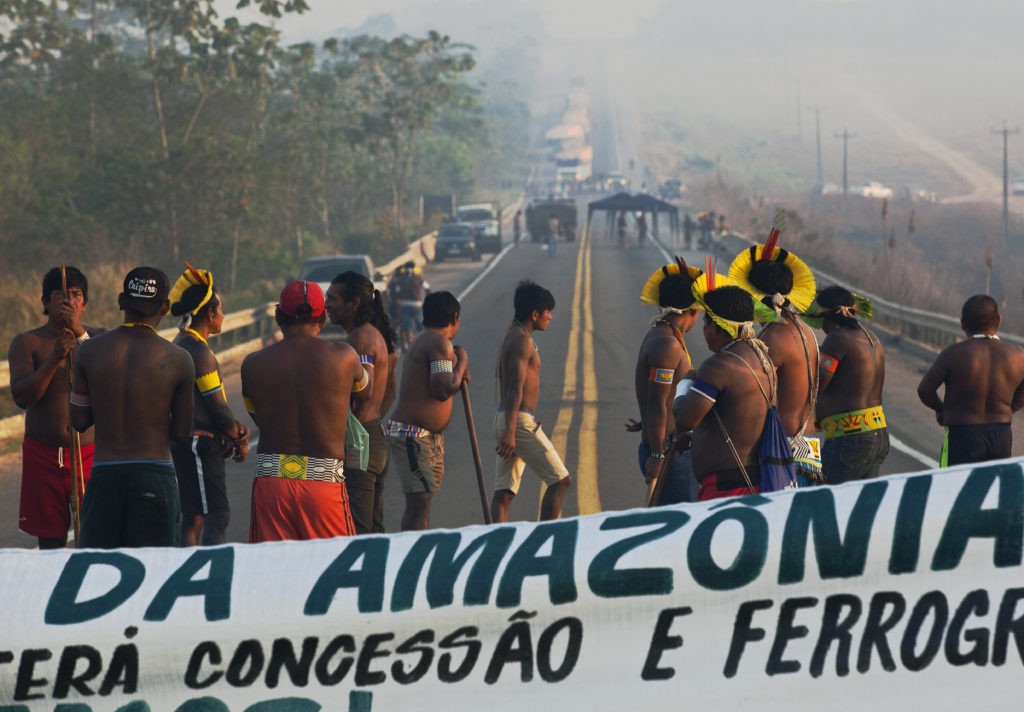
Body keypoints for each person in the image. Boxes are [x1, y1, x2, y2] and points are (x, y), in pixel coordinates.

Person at [71, 267, 195, 548]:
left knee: (99, 565)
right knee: (155, 567)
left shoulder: (89, 351)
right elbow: (182, 432)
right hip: (154, 475)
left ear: (121, 300)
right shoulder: (179, 358)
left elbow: (78, 420)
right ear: (165, 307)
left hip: (104, 475)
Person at [242, 280, 370, 542]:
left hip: (272, 480)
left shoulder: (252, 364)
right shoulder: (345, 357)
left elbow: (259, 417)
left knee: (273, 564)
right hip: (324, 480)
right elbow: (364, 392)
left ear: (279, 317)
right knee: (332, 563)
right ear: (322, 318)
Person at [9, 266, 105, 549]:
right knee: (50, 542)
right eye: (60, 295)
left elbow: (108, 376)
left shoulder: (99, 338)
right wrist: (54, 358)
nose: (69, 301)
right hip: (44, 454)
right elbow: (23, 397)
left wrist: (79, 332)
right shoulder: (28, 342)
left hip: (90, 453)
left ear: (84, 303)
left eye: (76, 295)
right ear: (45, 302)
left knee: (95, 535)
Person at [728, 231, 822, 483]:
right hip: (808, 446)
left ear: (756, 297)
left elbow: (755, 396)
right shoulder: (807, 331)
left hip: (781, 451)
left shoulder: (773, 337)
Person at [168, 264, 250, 546]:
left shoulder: (182, 342)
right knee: (217, 515)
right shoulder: (198, 351)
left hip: (189, 439)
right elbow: (216, 408)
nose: (224, 315)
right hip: (200, 443)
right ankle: (210, 566)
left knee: (194, 516)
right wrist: (237, 436)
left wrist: (233, 429)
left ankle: (190, 564)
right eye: (221, 309)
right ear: (210, 314)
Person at [672, 277, 774, 501]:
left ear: (716, 327)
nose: (704, 331)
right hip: (754, 479)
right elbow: (734, 417)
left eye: (706, 324)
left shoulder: (720, 365)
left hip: (725, 487)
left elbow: (684, 418)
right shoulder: (762, 358)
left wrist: (684, 384)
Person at [386, 291, 469, 530]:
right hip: (412, 434)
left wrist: (457, 370)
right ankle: (413, 549)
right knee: (419, 502)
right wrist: (462, 362)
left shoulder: (429, 340)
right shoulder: (438, 343)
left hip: (422, 435)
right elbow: (443, 388)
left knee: (423, 500)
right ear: (454, 318)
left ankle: (422, 543)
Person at [326, 271, 399, 534]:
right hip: (370, 435)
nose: (327, 305)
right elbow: (390, 391)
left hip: (361, 442)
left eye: (333, 299)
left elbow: (364, 389)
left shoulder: (360, 339)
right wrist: (371, 420)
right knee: (372, 529)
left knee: (358, 530)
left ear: (354, 303)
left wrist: (357, 425)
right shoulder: (374, 335)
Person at [492, 281, 571, 522]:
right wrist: (511, 430)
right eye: (548, 312)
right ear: (535, 314)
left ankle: (499, 539)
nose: (550, 317)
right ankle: (543, 536)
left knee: (504, 491)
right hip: (517, 421)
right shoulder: (522, 341)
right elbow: (515, 386)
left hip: (508, 418)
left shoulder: (513, 334)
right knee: (560, 480)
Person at [627, 260, 702, 505]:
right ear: (692, 310)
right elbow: (657, 403)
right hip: (667, 456)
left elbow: (658, 396)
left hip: (667, 449)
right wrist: (658, 455)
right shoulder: (667, 345)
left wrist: (647, 422)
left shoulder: (663, 335)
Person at [917, 295, 1024, 466]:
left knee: (957, 482)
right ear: (998, 320)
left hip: (962, 434)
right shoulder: (1018, 355)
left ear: (963, 323)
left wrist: (941, 409)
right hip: (1001, 435)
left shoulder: (953, 354)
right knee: (993, 483)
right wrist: (1006, 409)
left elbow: (925, 390)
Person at [803, 285, 888, 484]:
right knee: (859, 501)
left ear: (826, 315)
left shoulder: (837, 338)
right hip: (878, 435)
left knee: (826, 498)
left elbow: (817, 385)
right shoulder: (871, 337)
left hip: (851, 440)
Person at [388, 261, 428, 352]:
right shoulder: (419, 278)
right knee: (420, 325)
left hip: (404, 305)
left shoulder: (399, 279)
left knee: (406, 326)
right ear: (414, 268)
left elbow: (397, 292)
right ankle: (423, 343)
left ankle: (407, 345)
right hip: (417, 304)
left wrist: (398, 300)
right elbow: (427, 288)